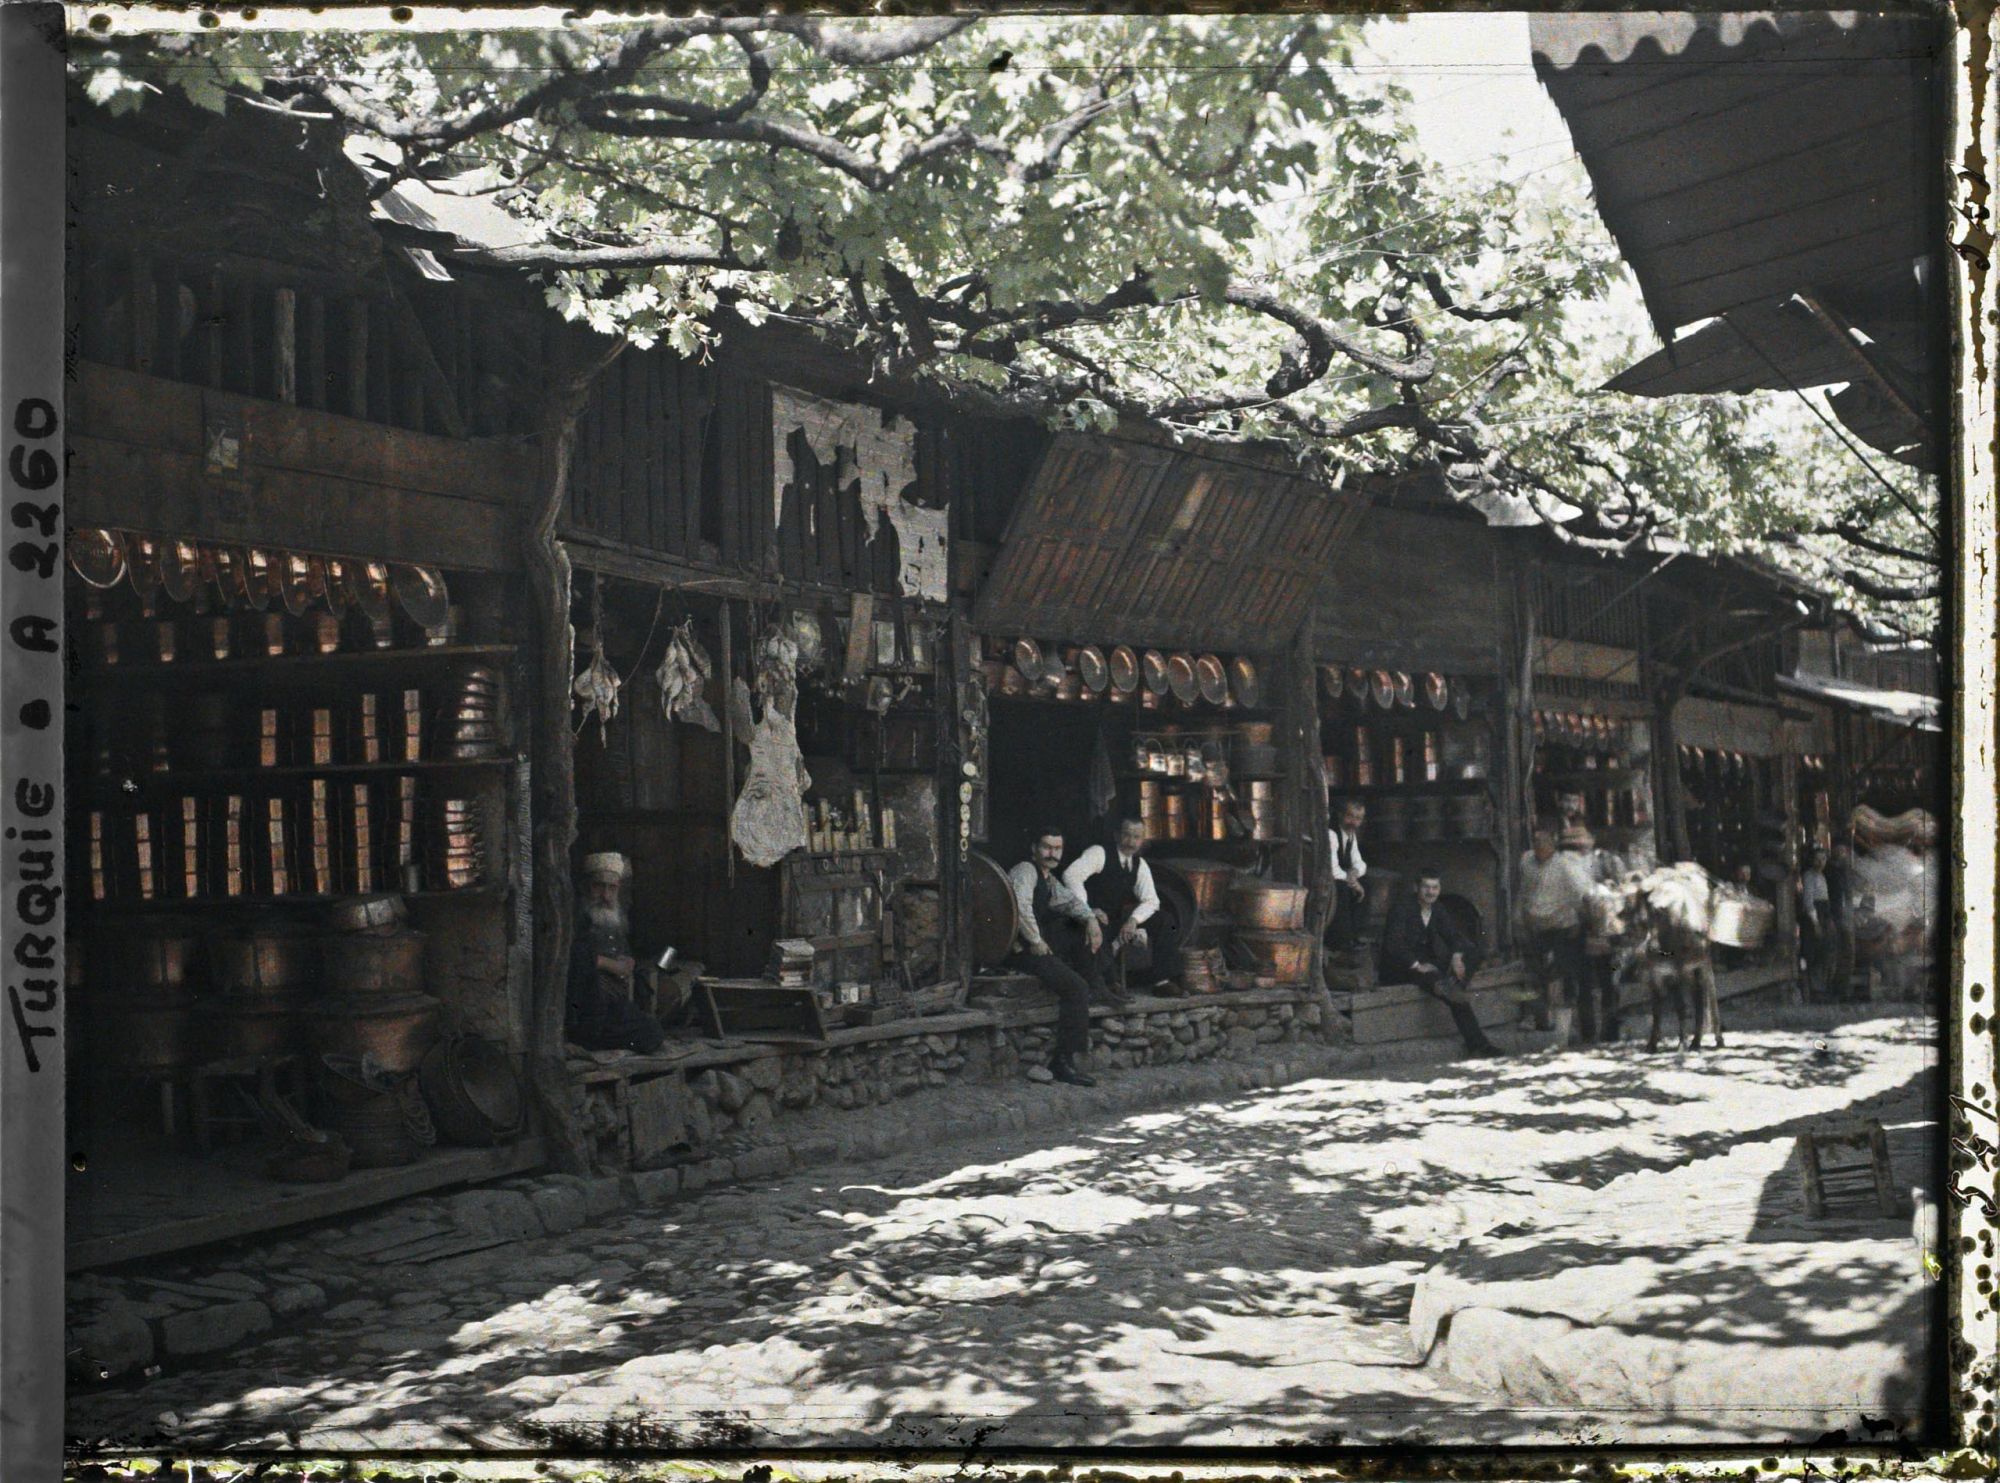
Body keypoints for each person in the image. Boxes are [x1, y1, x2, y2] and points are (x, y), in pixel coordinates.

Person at [1006, 826, 1101, 1086]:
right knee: (1075, 989)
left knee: (1076, 927)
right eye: (1047, 847)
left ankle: (1097, 986)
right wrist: (1035, 940)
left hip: (1035, 946)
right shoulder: (1026, 870)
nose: (1052, 853)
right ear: (1034, 849)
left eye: (1057, 848)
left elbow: (1068, 902)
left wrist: (1091, 919)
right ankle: (1063, 1062)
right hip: (1018, 950)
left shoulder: (1048, 879)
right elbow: (1020, 906)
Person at [1378, 867, 1499, 1057]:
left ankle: (1451, 986)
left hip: (1427, 962)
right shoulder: (1402, 908)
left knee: (1473, 952)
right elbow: (1394, 945)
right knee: (1440, 982)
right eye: (1426, 887)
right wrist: (1417, 965)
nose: (1430, 892)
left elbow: (1454, 936)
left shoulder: (1437, 908)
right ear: (1416, 887)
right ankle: (1478, 1045)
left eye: (1435, 887)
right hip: (1402, 967)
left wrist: (1457, 955)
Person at [1062, 817, 1178, 999]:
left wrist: (1133, 920)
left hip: (1115, 919)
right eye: (1127, 835)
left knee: (1165, 920)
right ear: (1117, 835)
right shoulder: (1099, 853)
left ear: (1142, 840)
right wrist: (1087, 911)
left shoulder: (1139, 864)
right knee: (1098, 930)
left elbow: (1151, 900)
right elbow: (1071, 876)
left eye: (1136, 837)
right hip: (1089, 919)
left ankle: (1161, 981)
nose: (1131, 842)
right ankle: (1110, 984)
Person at [566, 852, 666, 1054]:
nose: (605, 895)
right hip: (583, 1009)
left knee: (653, 1031)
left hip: (613, 1005)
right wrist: (608, 964)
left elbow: (627, 954)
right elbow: (570, 957)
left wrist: (626, 962)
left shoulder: (616, 920)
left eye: (612, 888)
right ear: (587, 887)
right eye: (599, 886)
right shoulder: (574, 916)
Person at [1515, 823, 1587, 1036]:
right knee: (1535, 973)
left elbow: (1579, 894)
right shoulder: (1526, 861)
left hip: (1562, 926)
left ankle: (1565, 1024)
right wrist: (1518, 918)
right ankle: (1540, 1018)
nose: (1539, 847)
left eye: (1543, 843)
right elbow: (1523, 890)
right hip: (1535, 926)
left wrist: (1577, 921)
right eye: (1536, 842)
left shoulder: (1565, 866)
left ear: (1552, 846)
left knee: (1561, 974)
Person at [1324, 798, 1369, 955]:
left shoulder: (1350, 835)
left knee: (1366, 884)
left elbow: (1360, 863)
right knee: (1343, 889)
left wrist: (1355, 874)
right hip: (1327, 880)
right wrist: (1353, 882)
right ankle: (1340, 940)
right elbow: (1332, 870)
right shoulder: (1331, 834)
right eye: (1350, 816)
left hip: (1342, 878)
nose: (1353, 822)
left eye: (1358, 818)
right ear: (1340, 815)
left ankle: (1355, 935)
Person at [1799, 845, 1834, 1000]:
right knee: (1813, 953)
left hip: (1824, 915)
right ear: (1812, 860)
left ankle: (1822, 988)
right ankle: (1814, 991)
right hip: (1814, 917)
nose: (1820, 862)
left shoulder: (1823, 877)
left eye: (1823, 859)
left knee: (1825, 952)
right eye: (1817, 859)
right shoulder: (1809, 876)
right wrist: (1816, 923)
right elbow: (1808, 902)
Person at [1827, 837, 1857, 1000]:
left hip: (1846, 916)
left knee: (1848, 953)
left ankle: (1843, 989)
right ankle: (1835, 990)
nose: (1843, 855)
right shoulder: (1831, 871)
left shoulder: (1847, 872)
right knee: (1837, 953)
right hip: (1836, 916)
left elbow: (1849, 895)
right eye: (1839, 851)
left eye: (1844, 852)